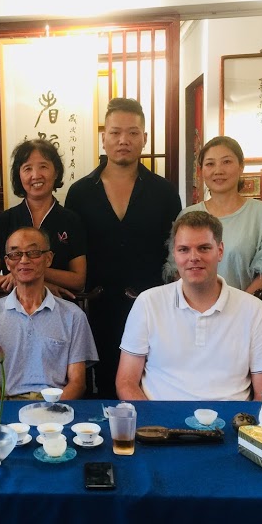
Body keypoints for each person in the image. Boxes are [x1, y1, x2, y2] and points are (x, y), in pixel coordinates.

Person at [66, 98, 181, 399]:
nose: (123, 140)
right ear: (103, 138)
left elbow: (175, 253)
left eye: (132, 133)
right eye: (115, 132)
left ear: (144, 138)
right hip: (96, 305)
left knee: (150, 379)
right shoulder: (79, 193)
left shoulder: (164, 192)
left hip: (151, 304)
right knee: (101, 383)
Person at [116, 211, 262, 401]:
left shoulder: (255, 311)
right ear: (174, 254)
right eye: (184, 249)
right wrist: (152, 426)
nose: (194, 257)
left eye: (204, 248)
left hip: (230, 423)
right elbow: (126, 382)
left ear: (220, 251)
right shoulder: (148, 303)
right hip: (159, 424)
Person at [0, 227, 97, 401]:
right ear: (7, 262)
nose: (24, 260)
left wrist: (50, 412)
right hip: (8, 405)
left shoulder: (73, 315)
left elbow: (77, 383)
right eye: (15, 254)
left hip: (56, 406)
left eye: (33, 252)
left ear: (48, 258)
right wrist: (1, 416)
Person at [167, 136, 262, 293]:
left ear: (241, 166)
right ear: (201, 170)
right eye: (210, 164)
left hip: (246, 310)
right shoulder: (188, 215)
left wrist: (236, 306)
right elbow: (178, 268)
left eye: (227, 162)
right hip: (195, 310)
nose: (218, 171)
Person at [0, 139, 86, 297]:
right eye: (27, 168)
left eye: (43, 166)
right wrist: (30, 283)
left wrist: (29, 272)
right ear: (19, 175)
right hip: (12, 311)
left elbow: (78, 280)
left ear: (56, 172)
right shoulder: (5, 220)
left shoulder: (71, 220)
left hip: (58, 310)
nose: (36, 175)